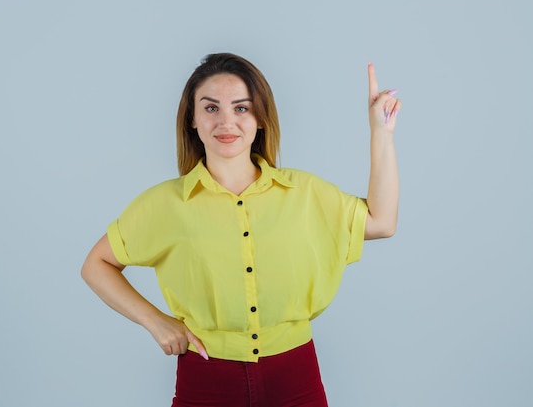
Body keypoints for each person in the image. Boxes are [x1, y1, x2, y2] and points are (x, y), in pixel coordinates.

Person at [81, 53, 400, 407]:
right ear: (192, 119)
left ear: (260, 118)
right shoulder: (164, 204)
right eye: (211, 108)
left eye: (242, 108)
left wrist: (380, 133)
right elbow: (96, 264)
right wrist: (155, 321)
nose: (226, 122)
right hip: (205, 380)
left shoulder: (306, 193)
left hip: (296, 377)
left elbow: (381, 222)